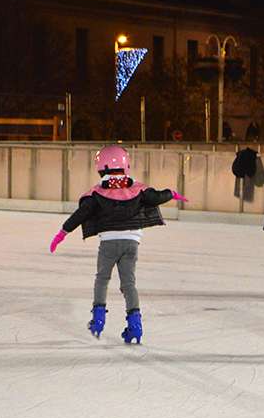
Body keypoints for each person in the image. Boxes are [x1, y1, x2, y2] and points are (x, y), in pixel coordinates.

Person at [48, 145, 187, 344]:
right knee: (129, 284)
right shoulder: (137, 188)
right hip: (132, 242)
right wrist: (172, 193)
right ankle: (135, 325)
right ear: (125, 165)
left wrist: (62, 232)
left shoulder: (97, 193)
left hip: (108, 244)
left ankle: (98, 319)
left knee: (102, 279)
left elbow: (81, 214)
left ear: (101, 167)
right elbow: (156, 196)